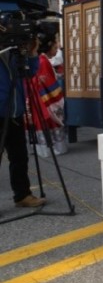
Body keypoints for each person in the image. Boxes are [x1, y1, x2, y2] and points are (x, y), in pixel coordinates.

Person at [0, 38, 47, 208]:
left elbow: (29, 72)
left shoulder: (14, 53)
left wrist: (32, 52)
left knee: (19, 157)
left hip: (15, 113)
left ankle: (22, 195)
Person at [27, 34, 67, 157]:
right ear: (49, 47)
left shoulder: (42, 59)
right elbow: (47, 82)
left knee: (42, 121)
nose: (56, 51)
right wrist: (58, 95)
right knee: (48, 121)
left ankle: (44, 148)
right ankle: (53, 147)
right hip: (45, 97)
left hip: (38, 96)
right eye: (55, 48)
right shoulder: (43, 61)